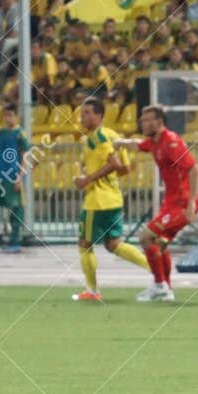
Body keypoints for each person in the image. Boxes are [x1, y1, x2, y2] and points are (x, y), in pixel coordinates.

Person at [71, 99, 151, 302]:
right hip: (113, 198)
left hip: (96, 201)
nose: (83, 117)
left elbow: (114, 164)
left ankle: (91, 290)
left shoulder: (98, 137)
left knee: (84, 243)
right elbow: (125, 168)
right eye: (82, 113)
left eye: (88, 113)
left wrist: (86, 180)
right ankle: (156, 270)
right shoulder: (113, 136)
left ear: (99, 116)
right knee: (114, 244)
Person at [127, 105, 198, 302]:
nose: (143, 123)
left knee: (145, 237)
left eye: (147, 120)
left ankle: (160, 285)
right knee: (158, 245)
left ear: (159, 123)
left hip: (182, 203)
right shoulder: (154, 142)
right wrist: (118, 142)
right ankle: (165, 289)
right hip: (170, 203)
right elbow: (137, 145)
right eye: (142, 120)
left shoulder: (171, 142)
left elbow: (194, 170)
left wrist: (191, 204)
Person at [0, 107, 31, 252]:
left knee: (15, 207)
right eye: (5, 115)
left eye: (10, 115)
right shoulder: (0, 134)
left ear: (16, 117)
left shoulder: (20, 134)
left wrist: (19, 177)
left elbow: (25, 157)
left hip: (12, 178)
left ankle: (15, 239)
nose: (7, 119)